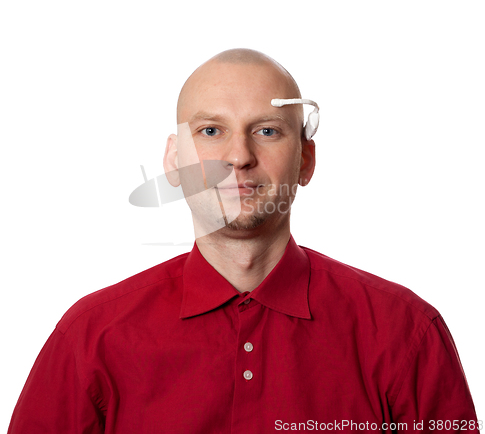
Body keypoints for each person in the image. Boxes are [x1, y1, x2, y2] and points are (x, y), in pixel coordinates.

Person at [8, 49, 479, 433]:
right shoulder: (91, 338)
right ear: (174, 162)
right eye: (211, 131)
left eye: (267, 131)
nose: (239, 156)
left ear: (305, 160)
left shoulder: (405, 333)